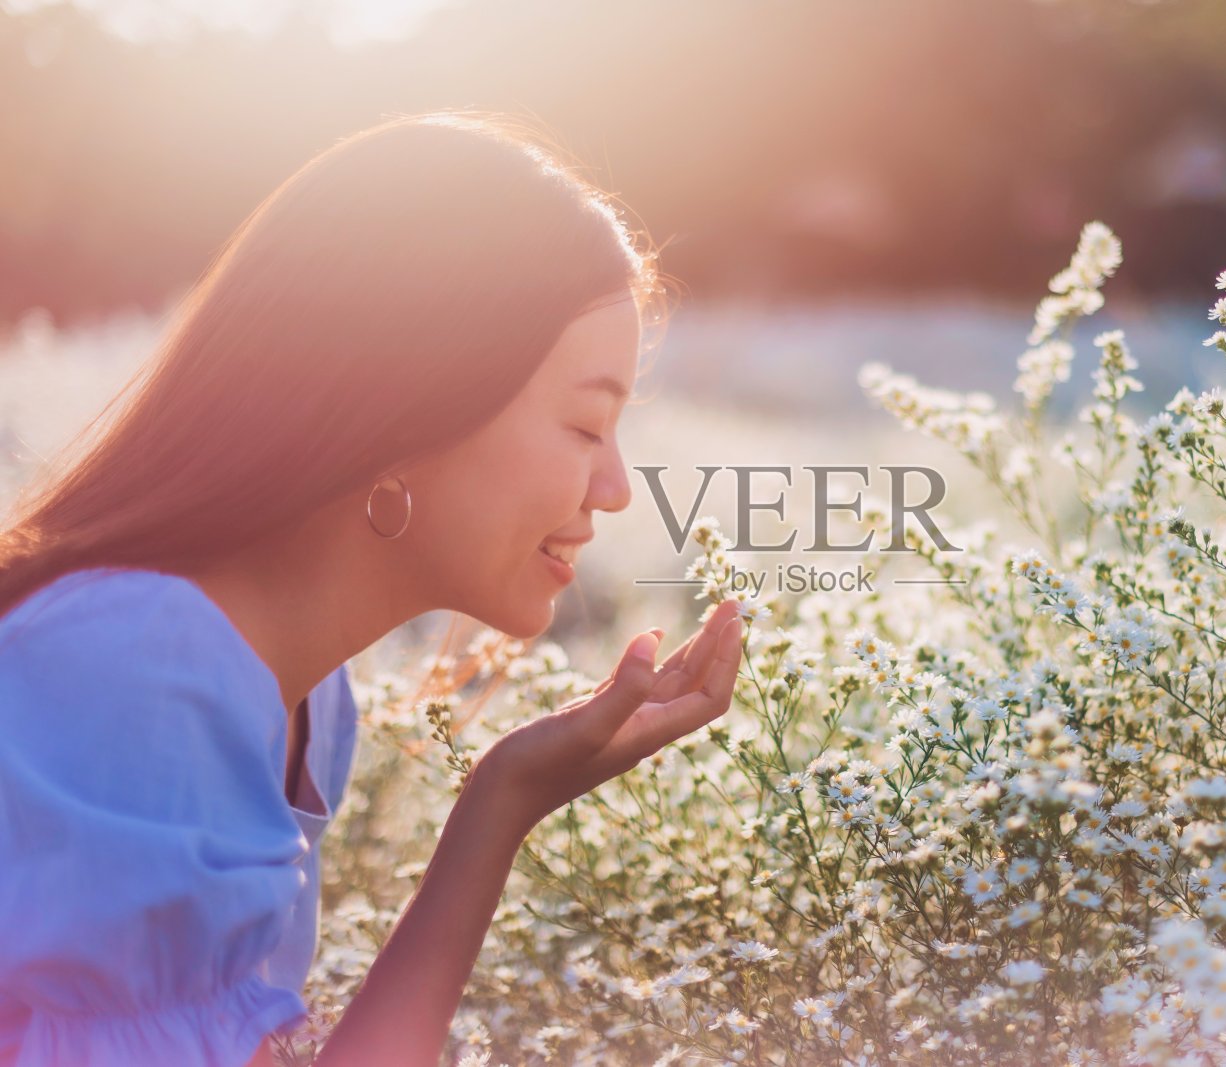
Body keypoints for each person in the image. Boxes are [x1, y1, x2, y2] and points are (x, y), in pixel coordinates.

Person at [0, 110, 745, 1067]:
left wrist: (501, 801)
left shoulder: (308, 697)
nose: (615, 487)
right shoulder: (134, 665)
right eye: (583, 426)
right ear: (412, 408)